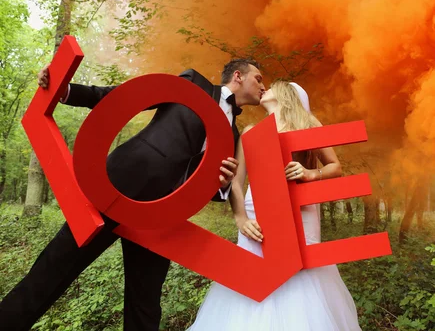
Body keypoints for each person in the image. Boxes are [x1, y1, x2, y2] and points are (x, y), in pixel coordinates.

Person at [0, 58, 266, 331]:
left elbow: (206, 188)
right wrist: (65, 91)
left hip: (161, 217)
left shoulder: (234, 135)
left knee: (145, 301)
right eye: (259, 78)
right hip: (122, 185)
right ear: (238, 76)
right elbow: (123, 97)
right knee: (54, 269)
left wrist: (221, 184)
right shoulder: (193, 82)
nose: (263, 87)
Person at [187, 80, 361, 331]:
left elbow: (335, 167)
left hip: (299, 215)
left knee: (301, 276)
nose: (264, 87)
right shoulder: (250, 132)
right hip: (256, 218)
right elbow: (237, 180)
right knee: (254, 277)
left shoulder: (308, 126)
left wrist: (310, 174)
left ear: (287, 94)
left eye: (273, 85)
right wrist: (241, 218)